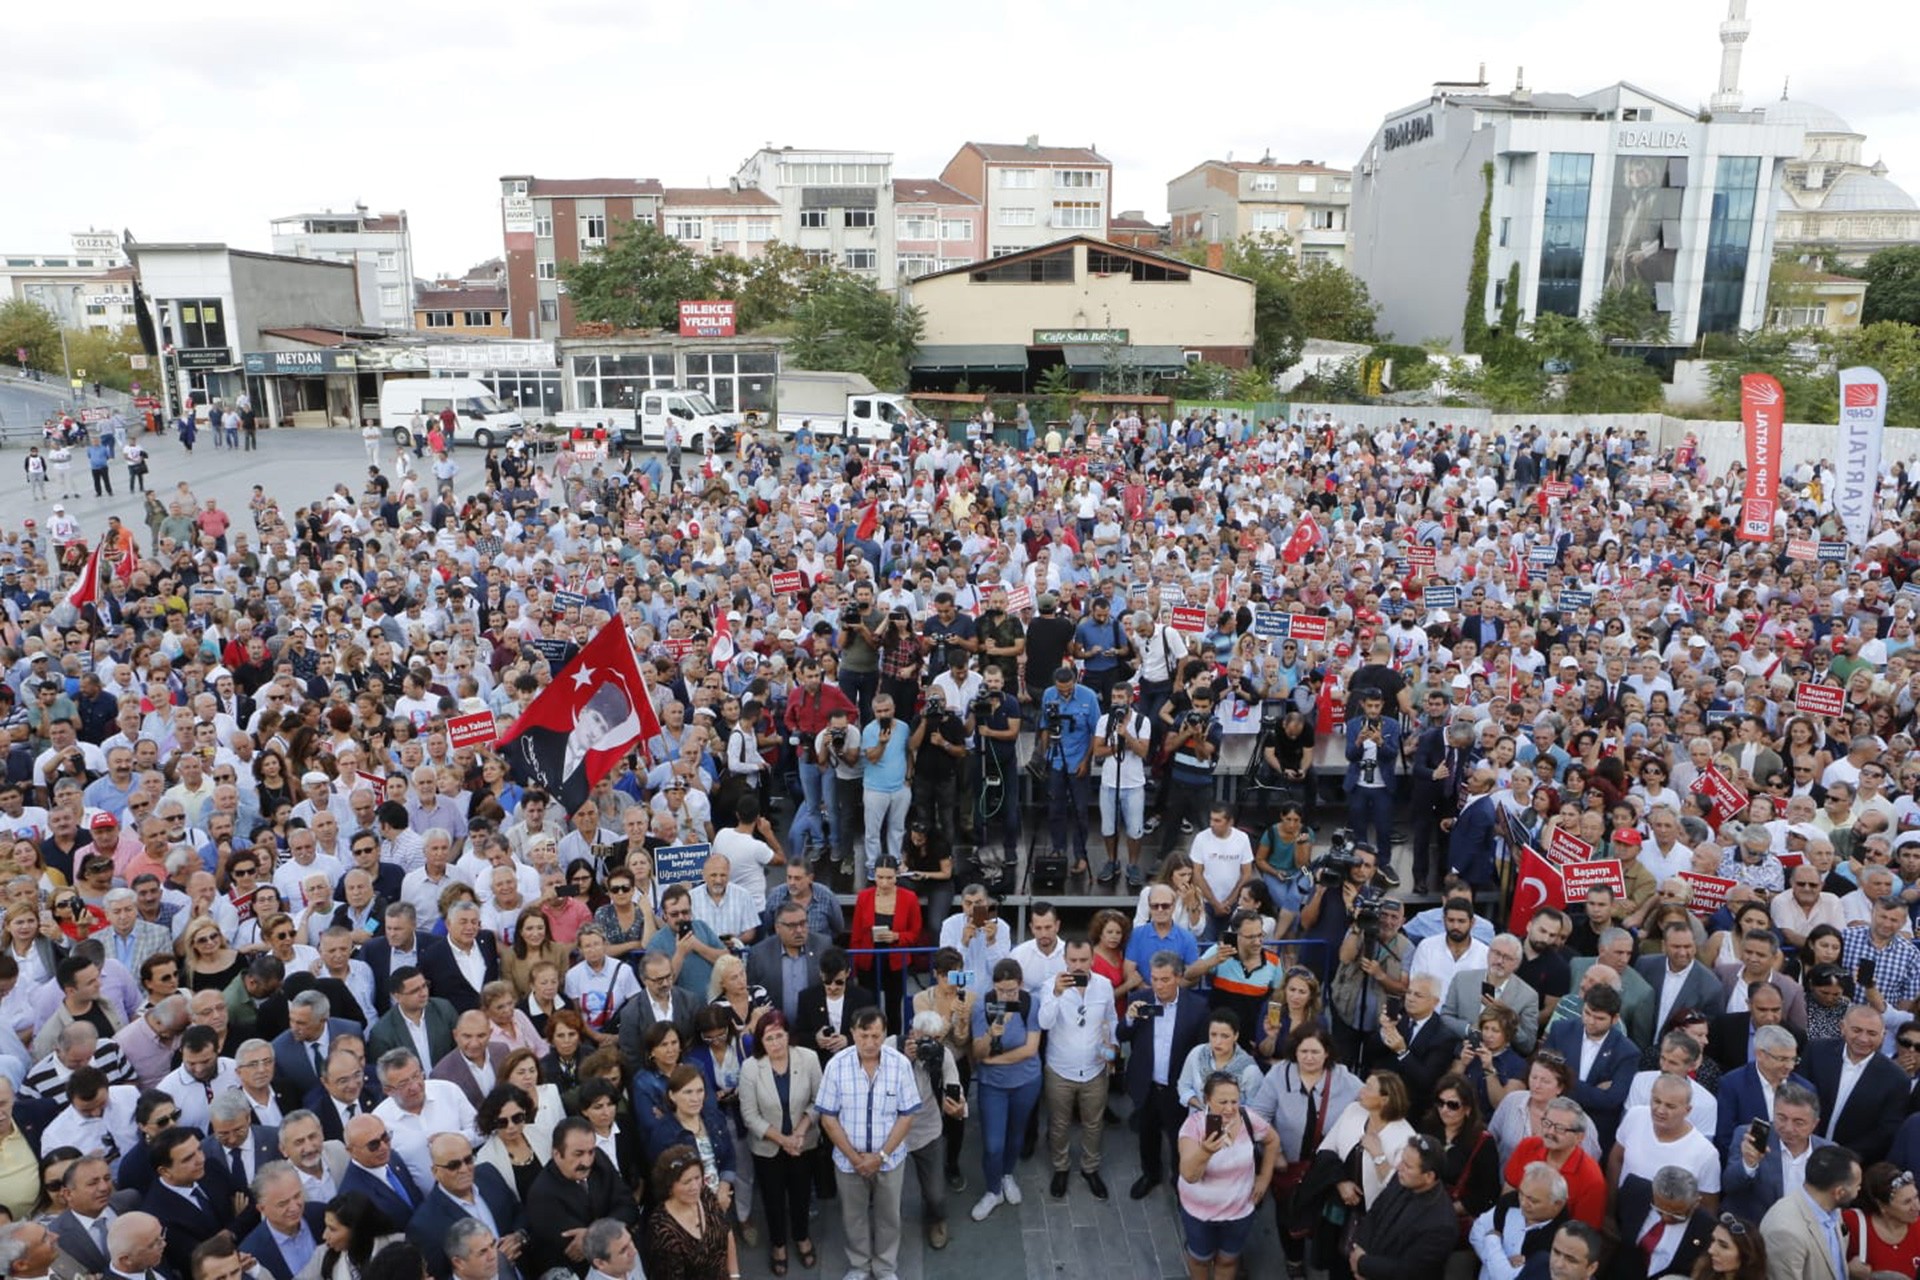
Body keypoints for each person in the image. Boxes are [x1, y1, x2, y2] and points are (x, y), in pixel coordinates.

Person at [814, 1008, 919, 1280]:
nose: (870, 1043)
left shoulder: (900, 1064)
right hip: (849, 1162)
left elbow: (906, 1116)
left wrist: (880, 1156)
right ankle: (859, 1266)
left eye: (876, 1035)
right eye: (864, 1035)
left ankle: (885, 1267)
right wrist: (855, 1157)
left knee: (889, 1216)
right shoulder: (836, 1065)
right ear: (852, 1034)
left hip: (890, 1161)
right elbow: (828, 1118)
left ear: (885, 1034)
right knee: (853, 1216)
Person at [736, 1011, 819, 1276]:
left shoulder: (808, 1058)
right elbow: (750, 1116)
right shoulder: (751, 1067)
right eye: (769, 1038)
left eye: (780, 1036)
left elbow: (819, 1100)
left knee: (801, 1194)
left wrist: (799, 1133)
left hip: (802, 1142)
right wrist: (783, 1140)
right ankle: (779, 1245)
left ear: (788, 1035)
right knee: (772, 1199)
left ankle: (802, 1237)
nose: (776, 1043)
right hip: (768, 1147)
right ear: (761, 1041)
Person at [1174, 1070, 1278, 1280]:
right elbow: (1189, 1175)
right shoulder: (1193, 1126)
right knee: (1200, 1259)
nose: (1230, 1108)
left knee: (1229, 1259)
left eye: (1234, 1101)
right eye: (1222, 1102)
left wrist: (1264, 1178)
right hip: (1199, 1213)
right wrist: (1205, 1151)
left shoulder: (1248, 1118)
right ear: (1207, 1100)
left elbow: (1272, 1140)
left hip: (1239, 1211)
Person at [966, 956, 1041, 1222]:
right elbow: (976, 1051)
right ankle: (992, 1190)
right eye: (1001, 990)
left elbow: (1029, 1050)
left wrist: (993, 1060)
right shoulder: (982, 1007)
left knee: (1016, 1135)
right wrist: (991, 1034)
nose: (1007, 995)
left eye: (1012, 990)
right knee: (993, 1144)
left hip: (1026, 1081)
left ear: (1020, 985)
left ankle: (1007, 1174)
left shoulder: (1030, 1003)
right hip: (993, 1086)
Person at [1347, 1134, 1463, 1280]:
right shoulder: (1403, 1178)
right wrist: (1359, 1250)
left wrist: (1362, 1264)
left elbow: (1408, 1271)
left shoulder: (1442, 1225)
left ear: (1429, 1177)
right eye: (1402, 1160)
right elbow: (1375, 1213)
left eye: (1408, 1166)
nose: (1398, 1167)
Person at [1758, 1146, 1862, 1280]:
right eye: (1857, 1185)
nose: (1859, 1189)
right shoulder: (1785, 1232)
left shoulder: (1833, 1210)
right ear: (1839, 1192)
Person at [642, 1145, 735, 1280]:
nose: (695, 1187)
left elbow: (727, 1232)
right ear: (669, 1186)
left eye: (697, 1178)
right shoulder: (661, 1229)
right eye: (686, 1182)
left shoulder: (705, 1195)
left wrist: (734, 1275)